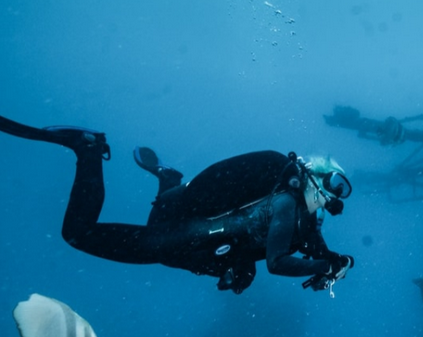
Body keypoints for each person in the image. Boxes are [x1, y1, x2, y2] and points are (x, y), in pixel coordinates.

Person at [0, 115, 354, 294]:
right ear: (313, 177)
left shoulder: (304, 217)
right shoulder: (285, 203)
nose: (331, 197)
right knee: (79, 234)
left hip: (190, 231)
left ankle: (168, 181)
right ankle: (88, 150)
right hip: (187, 232)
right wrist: (324, 265)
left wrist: (334, 261)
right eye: (333, 184)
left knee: (164, 237)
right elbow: (277, 263)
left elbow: (312, 249)